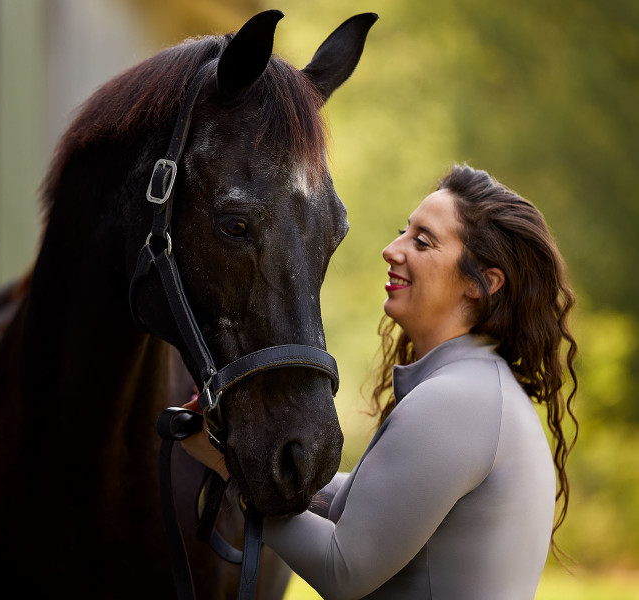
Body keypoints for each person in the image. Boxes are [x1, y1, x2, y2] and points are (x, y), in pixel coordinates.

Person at [181, 164, 578, 599]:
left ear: (481, 283)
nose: (392, 250)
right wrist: (239, 442)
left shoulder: (458, 401)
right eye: (403, 232)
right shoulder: (479, 388)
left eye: (422, 241)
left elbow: (343, 570)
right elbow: (368, 502)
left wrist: (230, 465)